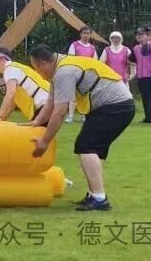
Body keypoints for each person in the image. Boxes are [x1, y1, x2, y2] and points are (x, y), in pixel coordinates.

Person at [26, 45, 134, 211]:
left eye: (36, 67)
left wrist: (45, 141)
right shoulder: (59, 68)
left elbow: (60, 112)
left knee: (86, 146)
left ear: (42, 63)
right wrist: (36, 121)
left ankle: (99, 199)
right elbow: (51, 102)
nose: (37, 72)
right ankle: (94, 195)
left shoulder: (64, 72)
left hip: (116, 107)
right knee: (89, 147)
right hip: (112, 107)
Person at [0, 47, 50, 122]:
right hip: (48, 104)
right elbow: (12, 103)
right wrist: (2, 118)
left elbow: (10, 94)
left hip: (44, 105)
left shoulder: (9, 68)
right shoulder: (14, 69)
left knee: (34, 129)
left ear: (2, 58)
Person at [65, 26, 98, 123]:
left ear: (90, 35)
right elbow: (70, 59)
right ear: (80, 34)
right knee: (73, 95)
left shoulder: (92, 48)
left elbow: (95, 62)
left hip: (87, 76)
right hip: (75, 74)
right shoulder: (74, 45)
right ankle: (70, 116)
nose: (86, 35)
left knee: (85, 96)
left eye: (88, 33)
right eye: (84, 33)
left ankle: (84, 116)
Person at [131, 27, 151, 123]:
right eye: (137, 35)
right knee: (145, 97)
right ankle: (148, 117)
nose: (139, 37)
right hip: (141, 76)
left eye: (141, 34)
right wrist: (136, 65)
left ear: (146, 36)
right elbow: (130, 60)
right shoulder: (135, 48)